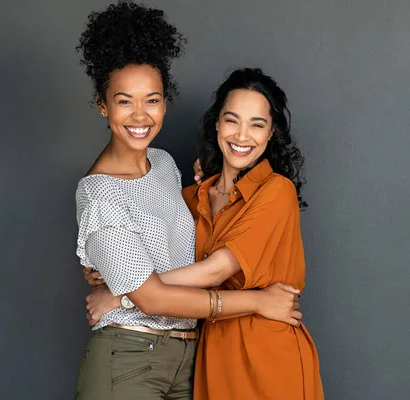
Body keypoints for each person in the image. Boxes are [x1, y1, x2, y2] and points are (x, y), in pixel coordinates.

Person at [74, 3, 301, 399]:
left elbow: (193, 263)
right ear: (102, 104)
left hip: (193, 358)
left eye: (153, 99)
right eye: (125, 100)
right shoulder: (101, 193)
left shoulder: (164, 167)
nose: (140, 114)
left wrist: (118, 291)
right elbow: (161, 288)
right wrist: (131, 290)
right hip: (132, 355)